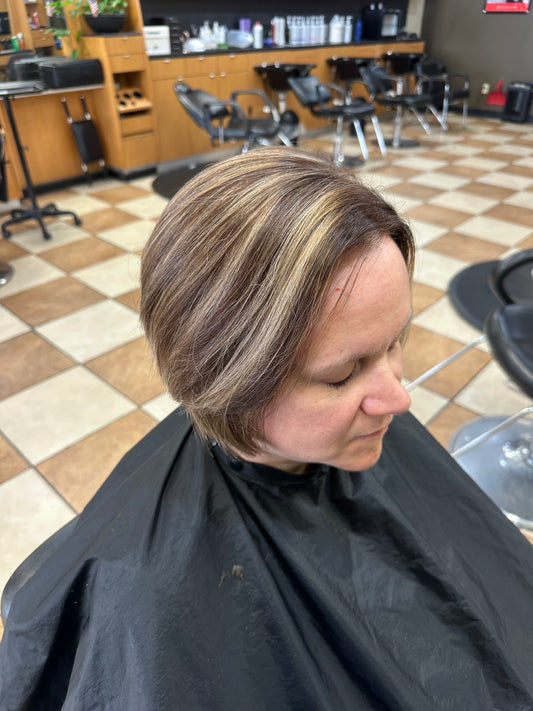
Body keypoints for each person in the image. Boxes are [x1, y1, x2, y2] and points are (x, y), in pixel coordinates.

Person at [1, 147, 533, 711]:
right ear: (219, 379)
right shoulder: (145, 593)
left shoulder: (356, 429)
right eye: (341, 375)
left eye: (395, 341)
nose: (399, 399)